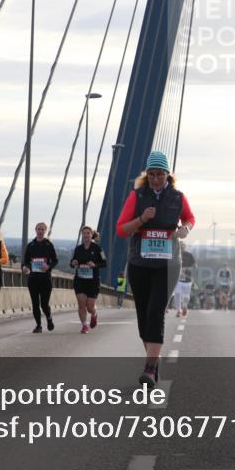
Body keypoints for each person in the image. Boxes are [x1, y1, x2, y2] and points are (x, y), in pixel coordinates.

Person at [116, 150, 195, 386]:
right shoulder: (137, 197)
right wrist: (141, 219)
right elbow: (121, 230)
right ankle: (154, 359)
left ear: (167, 175)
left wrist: (185, 230)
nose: (155, 179)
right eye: (151, 175)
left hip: (167, 265)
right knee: (143, 315)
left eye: (159, 175)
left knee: (155, 311)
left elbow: (190, 218)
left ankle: (149, 369)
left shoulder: (178, 198)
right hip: (140, 263)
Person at [22, 222, 58, 334]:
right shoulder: (31, 245)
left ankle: (49, 318)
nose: (40, 231)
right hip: (33, 278)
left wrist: (48, 266)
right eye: (38, 229)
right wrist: (24, 267)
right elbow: (25, 261)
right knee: (35, 304)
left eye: (42, 229)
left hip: (45, 279)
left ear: (45, 231)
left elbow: (55, 260)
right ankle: (38, 325)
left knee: (44, 304)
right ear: (35, 230)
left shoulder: (49, 245)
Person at [71, 226, 106, 333]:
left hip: (93, 281)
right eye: (84, 233)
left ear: (92, 235)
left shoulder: (98, 248)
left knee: (90, 307)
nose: (86, 235)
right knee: (81, 304)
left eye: (88, 233)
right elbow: (72, 262)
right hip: (80, 280)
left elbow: (105, 262)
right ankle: (84, 325)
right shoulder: (78, 249)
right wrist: (74, 263)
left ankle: (94, 314)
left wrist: (94, 265)